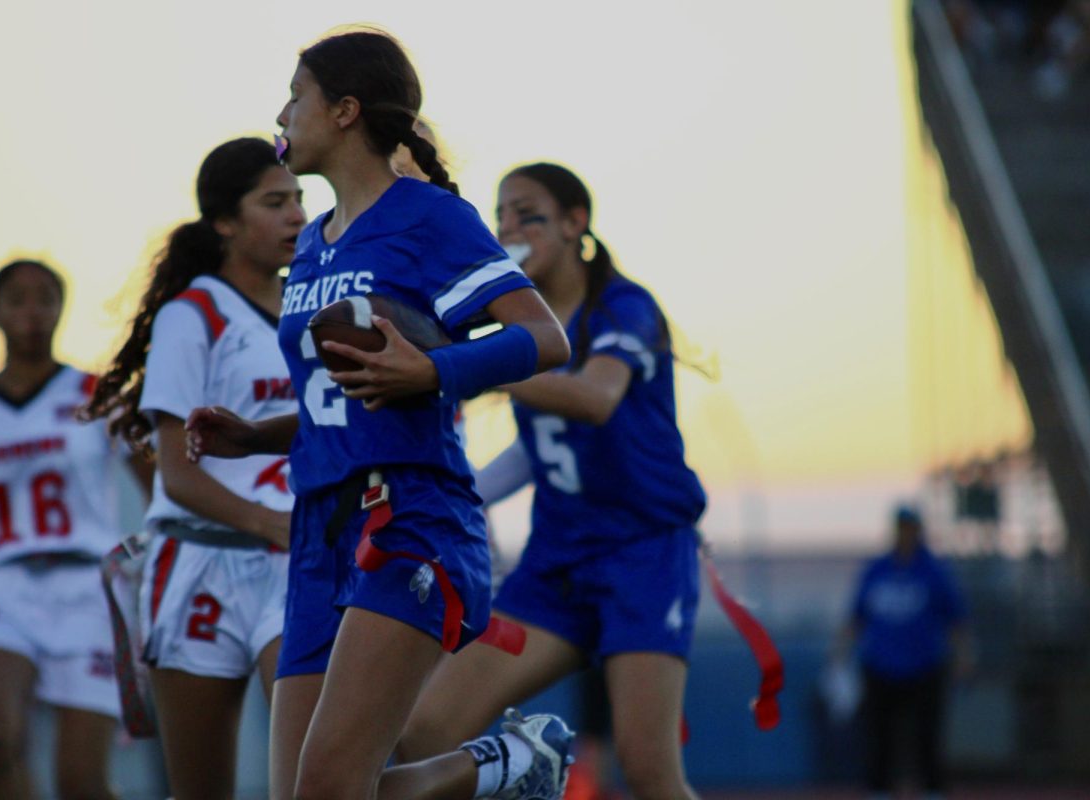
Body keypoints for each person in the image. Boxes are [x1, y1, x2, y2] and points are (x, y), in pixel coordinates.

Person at [184, 28, 575, 800]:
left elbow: (546, 337)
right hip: (317, 529)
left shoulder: (429, 217)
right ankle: (506, 766)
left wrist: (434, 369)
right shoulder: (314, 248)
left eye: (296, 94)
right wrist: (258, 435)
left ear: (344, 111)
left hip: (410, 516)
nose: (283, 112)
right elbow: (347, 396)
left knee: (330, 789)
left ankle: (500, 765)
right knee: (309, 795)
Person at [395, 162, 708, 800]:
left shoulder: (625, 305)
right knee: (423, 731)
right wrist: (458, 491)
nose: (510, 228)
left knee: (648, 772)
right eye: (502, 215)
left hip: (643, 556)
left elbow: (595, 398)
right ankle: (518, 767)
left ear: (574, 224)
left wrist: (468, 364)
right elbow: (540, 450)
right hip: (558, 562)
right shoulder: (519, 323)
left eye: (528, 214)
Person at [81, 136, 305, 800]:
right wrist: (270, 521)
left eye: (299, 199)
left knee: (313, 778)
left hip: (295, 563)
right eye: (275, 202)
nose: (296, 216)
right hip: (200, 565)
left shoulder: (315, 306)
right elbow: (176, 473)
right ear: (224, 222)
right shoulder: (193, 315)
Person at [0, 258, 150, 800]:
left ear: (60, 309)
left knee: (81, 784)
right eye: (17, 299)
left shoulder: (98, 392)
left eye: (44, 298)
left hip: (84, 587)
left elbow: (157, 480)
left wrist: (161, 556)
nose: (31, 312)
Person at [834, 505, 974, 800]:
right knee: (879, 739)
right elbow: (856, 618)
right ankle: (879, 792)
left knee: (927, 738)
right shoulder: (878, 569)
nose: (905, 534)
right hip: (881, 667)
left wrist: (963, 657)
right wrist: (839, 658)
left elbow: (956, 619)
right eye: (901, 528)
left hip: (925, 666)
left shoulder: (933, 571)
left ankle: (933, 791)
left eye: (910, 528)